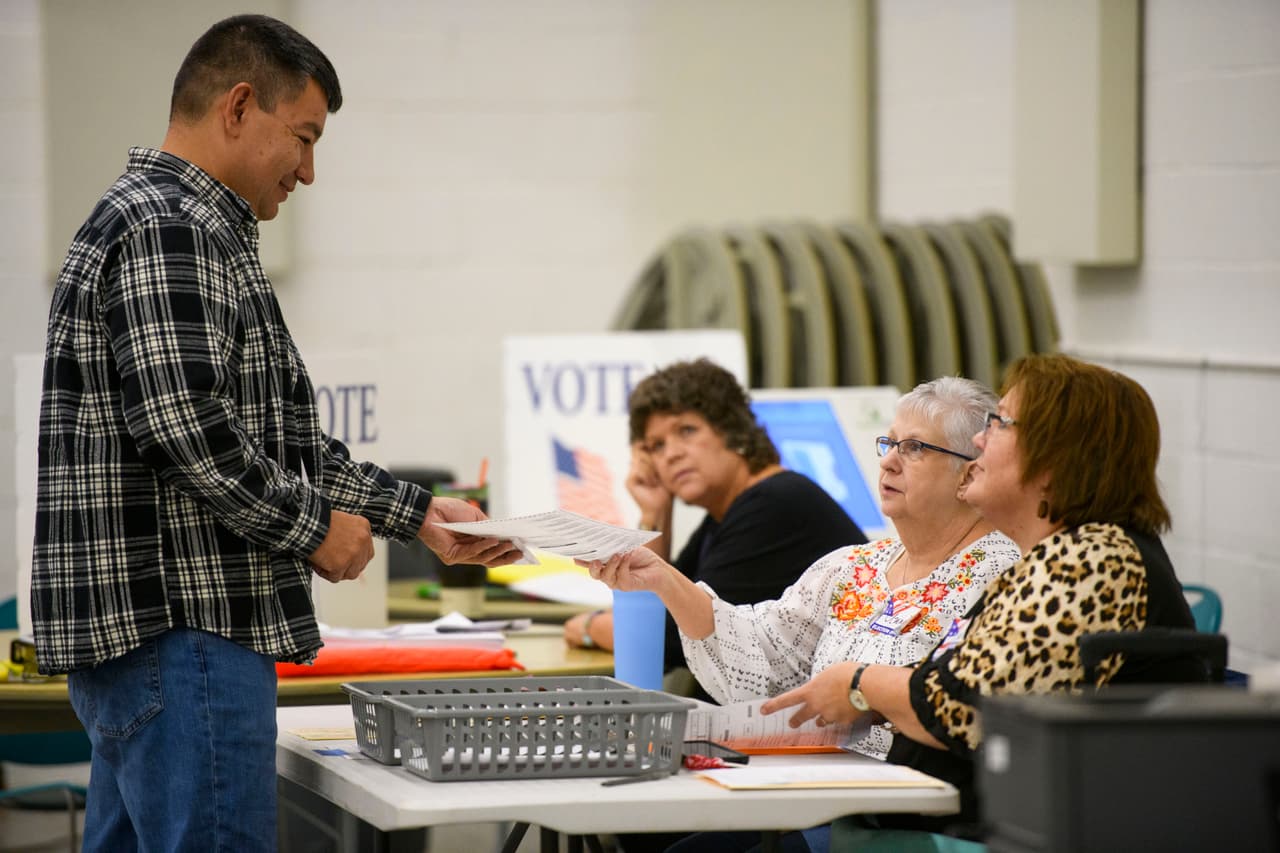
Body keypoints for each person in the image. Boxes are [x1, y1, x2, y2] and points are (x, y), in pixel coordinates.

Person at [30, 15, 517, 851]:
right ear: (239, 106)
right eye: (303, 137)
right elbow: (187, 430)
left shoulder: (185, 225)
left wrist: (420, 516)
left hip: (160, 642)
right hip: (185, 633)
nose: (310, 170)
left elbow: (275, 442)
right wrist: (316, 530)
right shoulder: (171, 225)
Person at [758, 353, 1200, 844]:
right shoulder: (1061, 555)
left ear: (1055, 463)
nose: (979, 440)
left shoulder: (1093, 558)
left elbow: (960, 708)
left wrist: (860, 683)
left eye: (1001, 424)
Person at [588, 376, 1022, 853]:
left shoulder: (1002, 573)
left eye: (914, 448)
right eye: (889, 442)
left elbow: (961, 709)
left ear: (968, 473)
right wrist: (664, 580)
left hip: (907, 817)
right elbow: (763, 656)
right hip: (813, 793)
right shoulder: (855, 565)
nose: (888, 460)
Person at [562, 358, 867, 701]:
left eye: (686, 431)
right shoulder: (725, 514)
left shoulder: (774, 504)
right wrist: (656, 511)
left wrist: (589, 628)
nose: (671, 454)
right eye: (656, 446)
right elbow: (657, 604)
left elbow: (666, 643)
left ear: (731, 432)